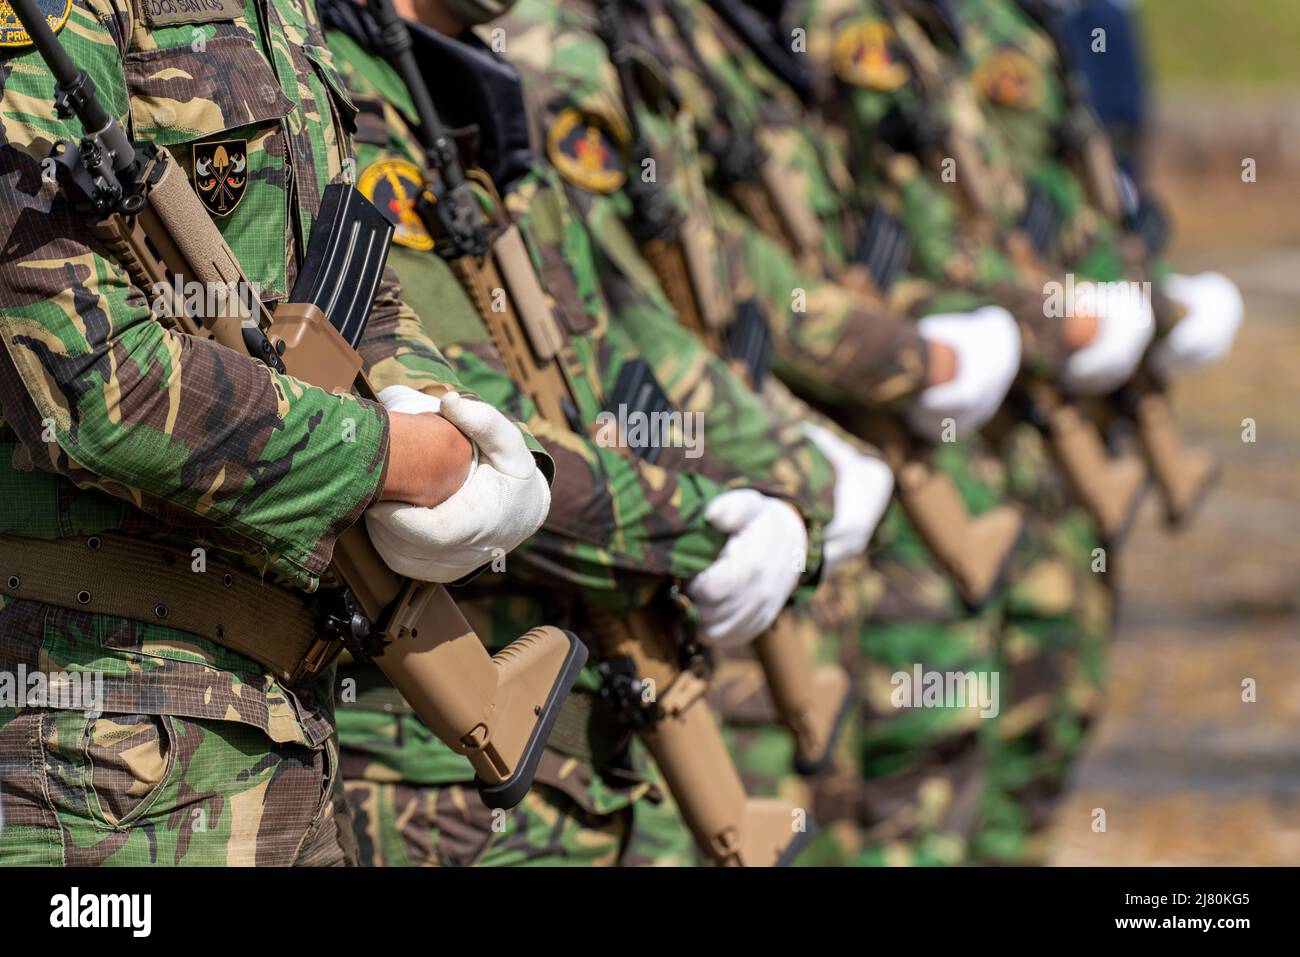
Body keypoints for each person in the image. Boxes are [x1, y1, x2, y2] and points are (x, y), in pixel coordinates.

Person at [0, 0, 550, 865]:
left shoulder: (287, 11)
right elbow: (88, 378)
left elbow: (349, 289)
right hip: (99, 761)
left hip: (285, 732)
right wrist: (386, 458)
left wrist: (426, 405)